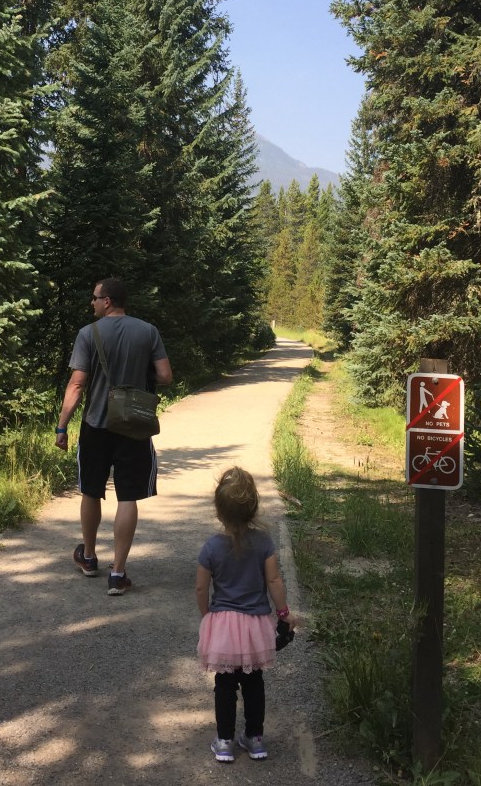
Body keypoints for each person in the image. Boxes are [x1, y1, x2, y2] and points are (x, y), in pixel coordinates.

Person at [54, 277, 172, 596]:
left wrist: (62, 426)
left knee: (91, 491)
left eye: (94, 298)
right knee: (128, 496)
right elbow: (165, 376)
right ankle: (118, 574)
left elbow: (77, 385)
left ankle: (89, 558)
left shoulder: (87, 334)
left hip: (96, 424)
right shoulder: (147, 331)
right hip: (133, 424)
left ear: (107, 301)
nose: (91, 302)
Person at [195, 466, 298, 762]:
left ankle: (224, 741)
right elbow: (274, 581)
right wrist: (284, 613)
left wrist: (207, 617)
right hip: (255, 626)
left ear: (218, 509)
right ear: (253, 507)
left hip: (224, 625)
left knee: (225, 684)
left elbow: (202, 589)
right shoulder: (264, 542)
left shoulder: (211, 547)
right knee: (254, 683)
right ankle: (254, 739)